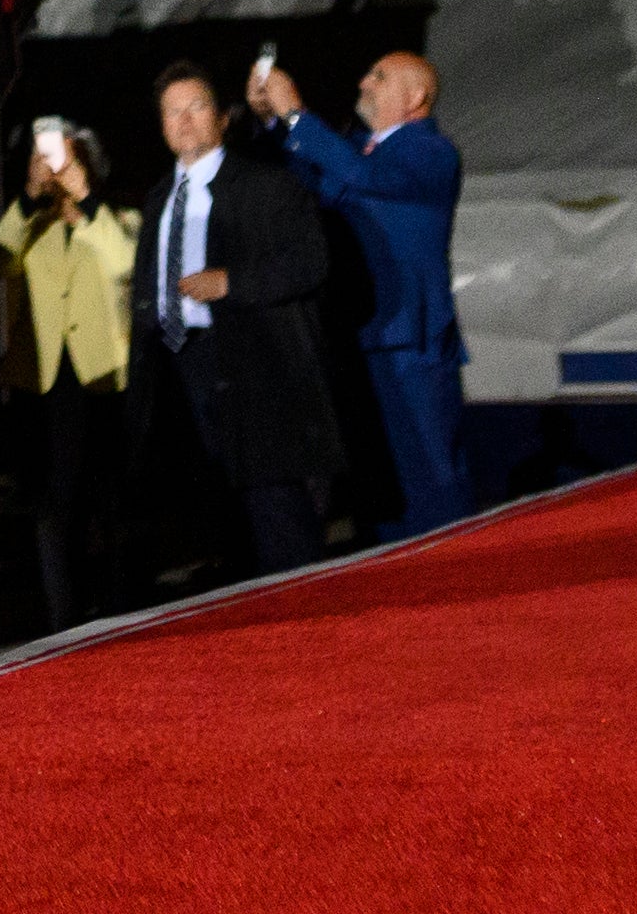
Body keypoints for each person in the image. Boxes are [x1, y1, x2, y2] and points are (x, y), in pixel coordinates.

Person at [256, 46, 472, 537]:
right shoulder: (358, 151)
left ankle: (460, 573)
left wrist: (297, 114)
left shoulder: (431, 151)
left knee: (431, 474)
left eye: (379, 77)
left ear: (416, 96)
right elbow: (311, 176)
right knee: (382, 482)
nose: (363, 84)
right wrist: (274, 121)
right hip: (361, 333)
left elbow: (362, 176)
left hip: (411, 339)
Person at [138, 62, 342, 576]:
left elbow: (310, 262)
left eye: (196, 107)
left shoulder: (266, 186)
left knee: (279, 523)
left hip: (256, 368)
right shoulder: (159, 197)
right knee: (220, 531)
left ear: (224, 118)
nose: (183, 121)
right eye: (172, 111)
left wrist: (232, 283)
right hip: (182, 372)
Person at [0, 117, 141, 633]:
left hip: (104, 378)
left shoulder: (120, 217)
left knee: (111, 498)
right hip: (45, 382)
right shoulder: (33, 223)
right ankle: (62, 617)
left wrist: (85, 200)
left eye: (69, 158)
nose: (58, 167)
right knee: (52, 501)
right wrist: (28, 196)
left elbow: (125, 260)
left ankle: (122, 607)